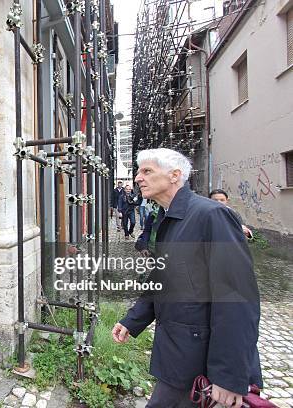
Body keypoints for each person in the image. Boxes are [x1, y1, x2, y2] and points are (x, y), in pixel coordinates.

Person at [112, 148, 262, 408]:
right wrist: (133, 320)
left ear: (174, 175)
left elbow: (237, 296)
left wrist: (228, 375)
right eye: (138, 172)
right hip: (179, 357)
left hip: (203, 363)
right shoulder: (170, 217)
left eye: (147, 171)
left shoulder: (211, 216)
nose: (138, 178)